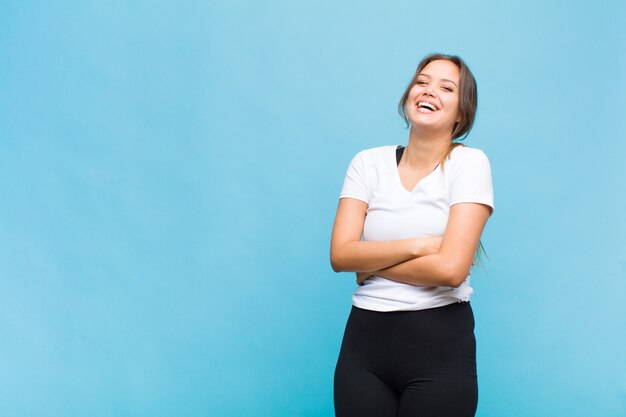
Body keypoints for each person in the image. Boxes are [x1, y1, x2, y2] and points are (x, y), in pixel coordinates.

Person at [330, 53, 494, 417]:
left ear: (461, 114)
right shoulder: (367, 163)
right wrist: (420, 246)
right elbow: (340, 256)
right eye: (422, 81)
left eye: (446, 87)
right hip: (363, 349)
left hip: (440, 350)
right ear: (409, 95)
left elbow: (451, 270)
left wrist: (370, 262)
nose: (429, 90)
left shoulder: (469, 164)